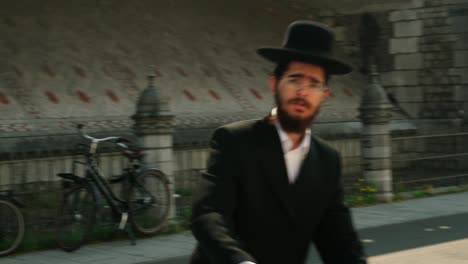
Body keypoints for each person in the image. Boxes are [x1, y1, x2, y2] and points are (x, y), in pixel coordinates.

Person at [189, 21, 367, 264]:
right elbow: (209, 214)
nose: (302, 92)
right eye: (294, 79)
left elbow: (340, 241)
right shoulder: (235, 140)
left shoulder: (327, 160)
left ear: (324, 95)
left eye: (314, 84)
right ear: (275, 84)